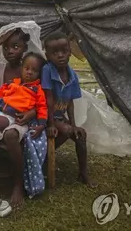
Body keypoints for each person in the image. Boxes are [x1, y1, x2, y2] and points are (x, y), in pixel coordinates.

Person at [0, 28, 39, 207]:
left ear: (24, 48)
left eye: (15, 46)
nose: (10, 51)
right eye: (6, 48)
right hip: (0, 116)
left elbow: (40, 98)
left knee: (11, 135)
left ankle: (17, 185)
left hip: (20, 119)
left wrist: (31, 113)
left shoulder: (29, 69)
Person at [41, 31, 95, 187]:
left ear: (70, 52)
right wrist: (51, 124)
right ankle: (44, 158)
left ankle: (83, 173)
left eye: (64, 51)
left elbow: (70, 102)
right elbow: (48, 99)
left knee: (80, 134)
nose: (60, 55)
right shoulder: (47, 70)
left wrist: (74, 124)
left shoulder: (72, 75)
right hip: (44, 116)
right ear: (47, 55)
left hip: (59, 117)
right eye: (55, 52)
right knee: (66, 130)